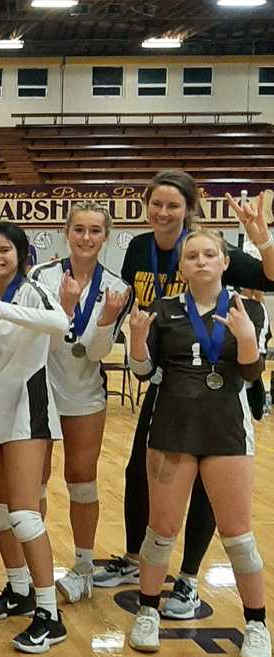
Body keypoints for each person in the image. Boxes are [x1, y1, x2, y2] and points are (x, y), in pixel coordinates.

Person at [101, 171, 274, 622]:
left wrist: (262, 238)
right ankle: (138, 562)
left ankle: (189, 575)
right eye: (156, 203)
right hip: (167, 384)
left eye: (173, 205)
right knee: (139, 475)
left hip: (222, 389)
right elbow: (131, 310)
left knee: (209, 490)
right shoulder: (139, 249)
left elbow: (270, 278)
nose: (163, 212)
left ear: (189, 209)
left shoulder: (212, 249)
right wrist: (133, 337)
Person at [128, 229, 270, 657]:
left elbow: (251, 375)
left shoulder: (249, 310)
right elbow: (143, 372)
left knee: (239, 535)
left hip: (226, 430)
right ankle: (147, 612)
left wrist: (246, 337)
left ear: (225, 262)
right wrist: (137, 340)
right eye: (193, 256)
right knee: (161, 530)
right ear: (183, 266)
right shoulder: (161, 310)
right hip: (172, 428)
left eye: (210, 254)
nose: (202, 261)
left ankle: (257, 625)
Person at [0, 222, 71, 654]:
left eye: (4, 250)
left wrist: (0, 309)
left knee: (25, 514)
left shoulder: (33, 291)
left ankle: (49, 614)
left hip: (27, 407)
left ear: (21, 254)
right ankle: (19, 589)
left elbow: (60, 322)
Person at [30, 203, 131, 603]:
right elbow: (39, 339)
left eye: (95, 231)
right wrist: (66, 309)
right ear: (66, 232)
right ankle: (32, 567)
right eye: (79, 230)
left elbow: (94, 352)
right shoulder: (41, 277)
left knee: (82, 479)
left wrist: (105, 319)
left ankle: (84, 568)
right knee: (35, 479)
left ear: (105, 236)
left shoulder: (118, 288)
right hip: (42, 390)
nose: (86, 238)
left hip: (85, 393)